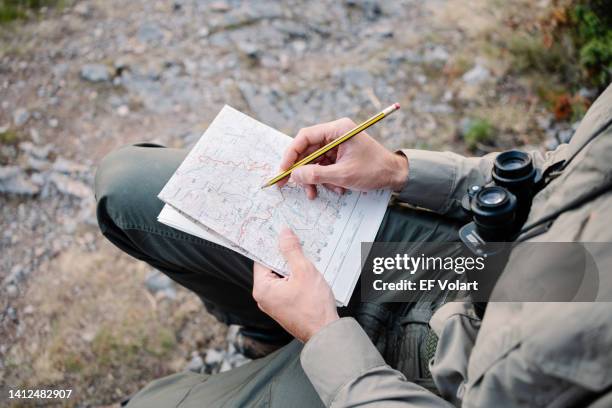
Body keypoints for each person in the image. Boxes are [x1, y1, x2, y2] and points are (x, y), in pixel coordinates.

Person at [94, 84, 612, 407]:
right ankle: (270, 333)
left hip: (424, 384)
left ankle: (295, 339)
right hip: (465, 266)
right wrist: (400, 171)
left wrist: (324, 337)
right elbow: (559, 167)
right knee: (128, 184)